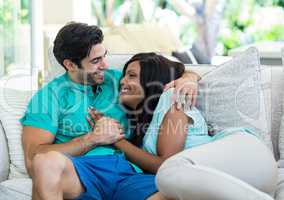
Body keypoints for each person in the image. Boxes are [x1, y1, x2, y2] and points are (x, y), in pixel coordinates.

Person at [20, 22, 200, 200]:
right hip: (81, 171)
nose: (105, 65)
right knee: (45, 162)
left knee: (180, 193)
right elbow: (34, 157)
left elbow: (166, 71)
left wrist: (189, 79)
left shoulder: (119, 81)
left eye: (103, 56)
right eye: (96, 61)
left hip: (127, 171)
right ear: (71, 65)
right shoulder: (49, 96)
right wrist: (91, 139)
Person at [89, 52, 278, 199]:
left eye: (131, 75)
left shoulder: (171, 98)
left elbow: (165, 164)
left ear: (150, 81)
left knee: (167, 175)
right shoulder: (144, 127)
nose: (123, 81)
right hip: (240, 181)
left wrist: (118, 141)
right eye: (123, 76)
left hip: (247, 155)